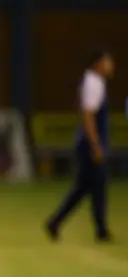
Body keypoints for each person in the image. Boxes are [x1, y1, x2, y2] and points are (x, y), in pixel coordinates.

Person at [45, 50, 115, 242]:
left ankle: (55, 222)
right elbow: (88, 116)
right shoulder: (93, 83)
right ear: (98, 63)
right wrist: (96, 145)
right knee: (99, 184)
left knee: (83, 188)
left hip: (86, 142)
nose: (111, 65)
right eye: (108, 61)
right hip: (88, 143)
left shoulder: (94, 81)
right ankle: (101, 231)